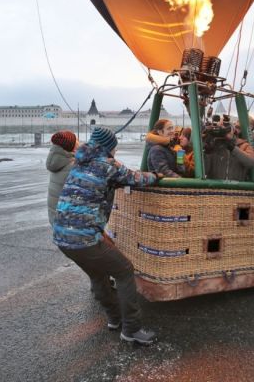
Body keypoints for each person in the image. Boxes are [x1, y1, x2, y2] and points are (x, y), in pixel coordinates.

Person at [53, 127, 162, 345]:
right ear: (109, 146)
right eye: (115, 145)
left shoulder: (79, 162)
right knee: (124, 270)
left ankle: (114, 319)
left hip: (62, 237)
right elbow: (137, 178)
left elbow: (104, 181)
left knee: (98, 274)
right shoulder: (107, 164)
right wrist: (157, 176)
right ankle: (131, 329)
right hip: (84, 239)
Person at [204, 116, 254, 181]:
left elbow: (251, 162)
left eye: (225, 127)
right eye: (219, 127)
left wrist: (231, 145)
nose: (222, 130)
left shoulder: (244, 145)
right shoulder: (214, 144)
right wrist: (207, 149)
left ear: (233, 130)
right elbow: (204, 171)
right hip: (215, 189)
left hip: (236, 189)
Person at [46, 130, 78, 226]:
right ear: (70, 146)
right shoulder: (71, 165)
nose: (79, 144)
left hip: (55, 216)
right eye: (76, 142)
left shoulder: (57, 161)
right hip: (67, 220)